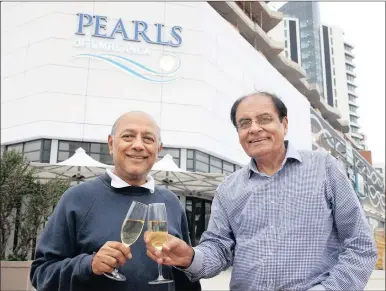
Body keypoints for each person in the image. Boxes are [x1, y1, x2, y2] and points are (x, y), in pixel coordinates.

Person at [145, 92, 378, 291]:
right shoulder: (229, 188)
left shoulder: (324, 168)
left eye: (264, 119)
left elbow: (361, 246)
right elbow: (218, 248)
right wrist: (190, 257)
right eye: (244, 123)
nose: (254, 129)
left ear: (284, 124)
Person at [30, 111, 201, 291]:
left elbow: (184, 277)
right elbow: (41, 273)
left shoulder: (171, 202)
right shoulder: (77, 198)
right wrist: (88, 265)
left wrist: (187, 263)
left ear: (158, 149)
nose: (138, 145)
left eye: (148, 139)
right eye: (128, 136)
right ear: (111, 144)